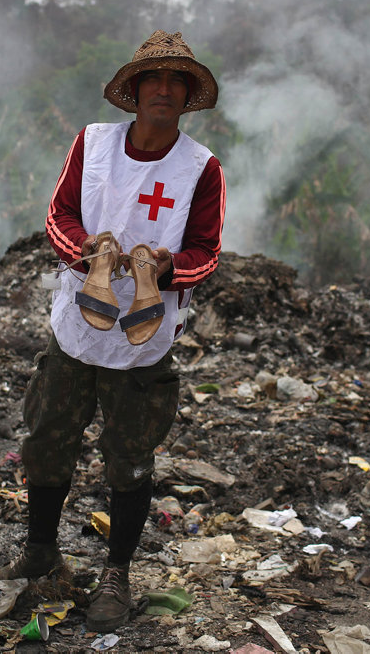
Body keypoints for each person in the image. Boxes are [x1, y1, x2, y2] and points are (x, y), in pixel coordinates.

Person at [16, 32, 230, 630]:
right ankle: (39, 551)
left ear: (188, 96)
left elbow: (206, 250)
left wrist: (167, 268)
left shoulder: (200, 168)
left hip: (146, 332)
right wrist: (85, 254)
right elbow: (59, 214)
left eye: (177, 81)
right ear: (133, 91)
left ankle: (116, 574)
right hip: (78, 324)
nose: (164, 90)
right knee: (47, 436)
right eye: (153, 79)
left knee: (130, 458)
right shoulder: (93, 144)